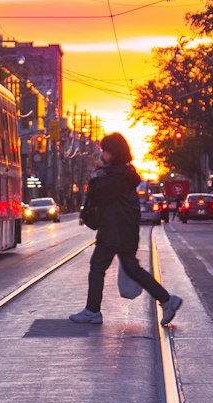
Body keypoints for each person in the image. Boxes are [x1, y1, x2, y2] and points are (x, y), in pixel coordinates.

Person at [69, 132, 182, 326]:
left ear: (112, 152)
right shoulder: (124, 173)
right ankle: (166, 299)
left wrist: (98, 172)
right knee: (131, 268)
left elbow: (97, 193)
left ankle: (92, 311)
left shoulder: (115, 175)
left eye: (105, 150)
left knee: (98, 267)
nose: (102, 154)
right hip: (123, 230)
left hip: (114, 230)